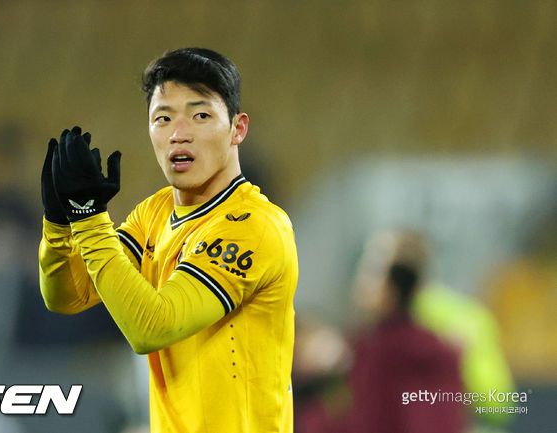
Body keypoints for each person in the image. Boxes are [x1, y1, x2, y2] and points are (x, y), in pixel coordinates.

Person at [38, 48, 298, 433]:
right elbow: (68, 296)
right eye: (163, 118)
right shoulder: (155, 212)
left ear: (237, 129)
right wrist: (60, 223)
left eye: (200, 115)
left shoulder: (255, 226)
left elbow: (153, 327)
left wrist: (90, 219)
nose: (179, 134)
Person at [348, 230, 465, 433]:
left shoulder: (420, 355)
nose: (362, 280)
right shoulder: (367, 345)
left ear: (395, 286)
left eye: (372, 271)